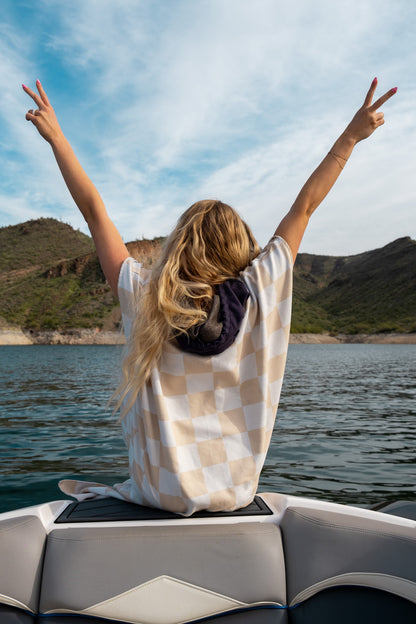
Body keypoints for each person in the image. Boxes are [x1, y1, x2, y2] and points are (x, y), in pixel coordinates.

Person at [23, 78, 397, 515]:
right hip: (234, 498)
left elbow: (93, 211)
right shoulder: (261, 288)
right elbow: (305, 207)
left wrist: (57, 139)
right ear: (239, 246)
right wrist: (350, 137)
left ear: (179, 243)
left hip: (156, 498)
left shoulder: (145, 294)